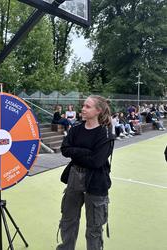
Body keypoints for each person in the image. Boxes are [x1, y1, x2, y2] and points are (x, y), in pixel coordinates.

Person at [57, 95, 114, 250]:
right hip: (74, 177)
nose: (83, 109)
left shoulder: (105, 134)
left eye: (88, 106)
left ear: (98, 111)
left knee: (94, 227)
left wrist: (75, 153)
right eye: (83, 105)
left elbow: (97, 161)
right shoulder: (76, 128)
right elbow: (64, 150)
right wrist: (86, 152)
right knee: (68, 220)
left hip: (96, 181)